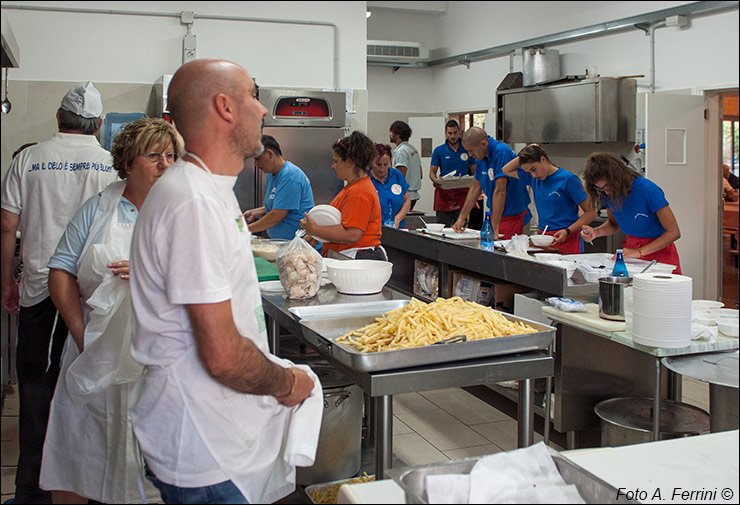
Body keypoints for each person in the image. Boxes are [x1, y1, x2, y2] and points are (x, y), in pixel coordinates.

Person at [128, 59, 319, 505]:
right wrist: (289, 383)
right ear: (225, 107)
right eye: (254, 95)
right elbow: (221, 355)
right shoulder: (192, 200)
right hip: (201, 444)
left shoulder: (212, 190)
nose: (264, 110)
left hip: (214, 430)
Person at [39, 117, 180, 504]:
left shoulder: (180, 212)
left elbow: (205, 277)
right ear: (129, 163)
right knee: (79, 448)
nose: (165, 165)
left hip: (156, 357)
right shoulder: (99, 207)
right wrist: (81, 333)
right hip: (95, 351)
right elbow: (61, 271)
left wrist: (150, 271)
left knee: (151, 461)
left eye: (170, 156)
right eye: (154, 156)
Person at [0, 81, 117, 504]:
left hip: (38, 291)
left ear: (58, 118)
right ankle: (88, 488)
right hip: (95, 297)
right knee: (93, 391)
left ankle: (32, 494)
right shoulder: (110, 164)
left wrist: (5, 281)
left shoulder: (29, 159)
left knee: (36, 390)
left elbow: (6, 226)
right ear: (100, 124)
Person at [580, 152, 682, 273]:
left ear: (617, 177)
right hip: (631, 255)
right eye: (601, 188)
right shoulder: (608, 195)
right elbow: (613, 224)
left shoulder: (648, 191)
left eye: (607, 186)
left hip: (659, 255)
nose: (606, 192)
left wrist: (640, 252)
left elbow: (674, 232)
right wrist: (596, 232)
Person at [300, 131, 385, 260]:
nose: (333, 166)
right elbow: (342, 224)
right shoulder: (352, 187)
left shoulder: (359, 192)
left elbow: (352, 234)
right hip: (348, 256)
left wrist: (315, 230)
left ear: (350, 162)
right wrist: (318, 235)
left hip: (359, 258)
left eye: (336, 161)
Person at [501, 144, 596, 254]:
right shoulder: (533, 179)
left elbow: (591, 213)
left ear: (543, 159)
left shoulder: (568, 180)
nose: (533, 175)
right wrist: (526, 152)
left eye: (534, 169)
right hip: (544, 239)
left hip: (567, 237)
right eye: (529, 172)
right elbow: (506, 169)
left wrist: (568, 230)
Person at [453, 127, 532, 239]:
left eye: (471, 150)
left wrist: (494, 228)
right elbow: (475, 188)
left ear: (483, 143)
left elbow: (500, 191)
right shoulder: (480, 156)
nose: (469, 155)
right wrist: (462, 217)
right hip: (495, 216)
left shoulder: (501, 153)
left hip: (513, 217)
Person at [243, 134, 315, 239]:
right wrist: (255, 212)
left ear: (269, 154)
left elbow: (276, 215)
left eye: (258, 159)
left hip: (298, 245)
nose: (255, 164)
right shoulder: (272, 175)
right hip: (283, 244)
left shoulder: (290, 175)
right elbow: (280, 204)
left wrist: (246, 230)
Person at [429, 120, 477, 227]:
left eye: (455, 133)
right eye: (450, 133)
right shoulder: (439, 150)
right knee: (442, 229)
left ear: (459, 132)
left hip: (462, 194)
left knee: (462, 228)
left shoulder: (467, 149)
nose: (452, 136)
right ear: (446, 133)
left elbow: (475, 171)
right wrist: (435, 181)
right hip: (444, 193)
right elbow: (432, 172)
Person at [370, 143, 411, 229]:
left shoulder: (397, 175)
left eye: (385, 164)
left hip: (398, 228)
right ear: (371, 162)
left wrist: (397, 219)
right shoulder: (366, 180)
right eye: (378, 164)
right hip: (374, 230)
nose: (382, 169)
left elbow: (407, 201)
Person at [389, 120, 422, 210]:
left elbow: (400, 177)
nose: (389, 134)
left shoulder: (401, 151)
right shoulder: (412, 149)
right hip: (413, 194)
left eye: (391, 132)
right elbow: (420, 174)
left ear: (397, 134)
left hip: (404, 195)